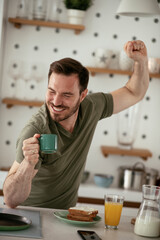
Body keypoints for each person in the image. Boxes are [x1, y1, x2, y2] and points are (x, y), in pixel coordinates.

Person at [3, 40, 149, 209]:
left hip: (65, 214)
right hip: (31, 214)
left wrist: (141, 61)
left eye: (66, 95)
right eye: (51, 91)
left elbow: (134, 92)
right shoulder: (36, 130)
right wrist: (27, 165)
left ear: (82, 95)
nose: (56, 102)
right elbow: (11, 199)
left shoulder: (91, 108)